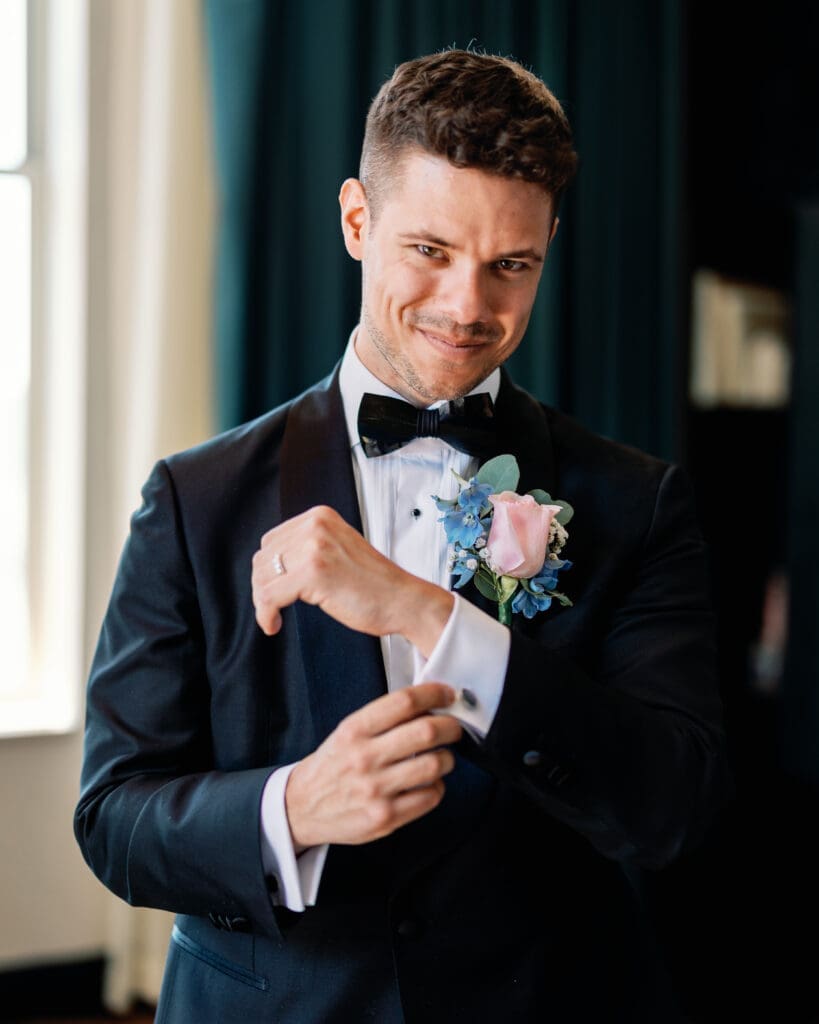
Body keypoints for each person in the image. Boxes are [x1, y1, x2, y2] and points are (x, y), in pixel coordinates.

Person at [75, 49, 729, 1022]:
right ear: (356, 221)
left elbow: (673, 807)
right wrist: (290, 808)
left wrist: (427, 614)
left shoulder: (635, 501)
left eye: (511, 265)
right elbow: (115, 817)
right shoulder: (194, 498)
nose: (469, 308)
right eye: (429, 250)